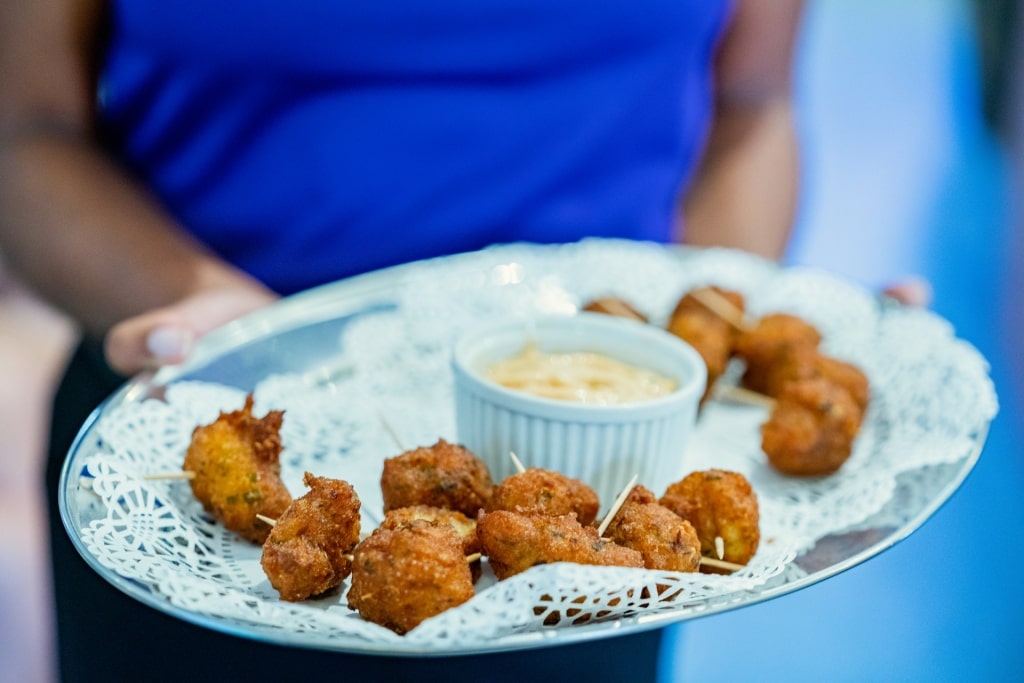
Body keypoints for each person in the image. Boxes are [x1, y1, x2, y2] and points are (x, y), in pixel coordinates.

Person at [0, 1, 804, 681]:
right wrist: (207, 312)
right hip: (191, 388)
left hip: (622, 453)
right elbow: (25, 129)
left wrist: (740, 316)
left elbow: (754, 101)